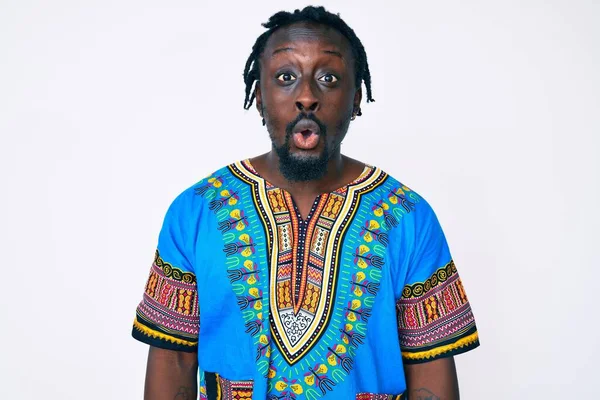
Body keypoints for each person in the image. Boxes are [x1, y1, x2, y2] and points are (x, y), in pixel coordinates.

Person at [132, 6, 479, 400]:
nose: (307, 96)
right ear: (259, 96)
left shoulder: (409, 216)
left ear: (356, 99)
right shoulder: (195, 212)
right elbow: (173, 363)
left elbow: (431, 375)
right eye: (285, 77)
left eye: (329, 78)